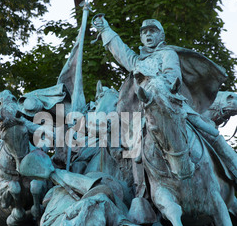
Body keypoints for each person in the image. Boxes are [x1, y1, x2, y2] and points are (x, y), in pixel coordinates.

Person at [93, 16, 237, 182]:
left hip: (170, 104)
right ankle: (138, 187)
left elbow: (172, 74)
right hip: (145, 110)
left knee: (210, 132)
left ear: (161, 36)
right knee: (128, 147)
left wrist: (158, 86)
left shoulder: (168, 54)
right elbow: (121, 51)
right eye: (145, 32)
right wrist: (105, 29)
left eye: (153, 31)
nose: (148, 35)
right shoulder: (137, 61)